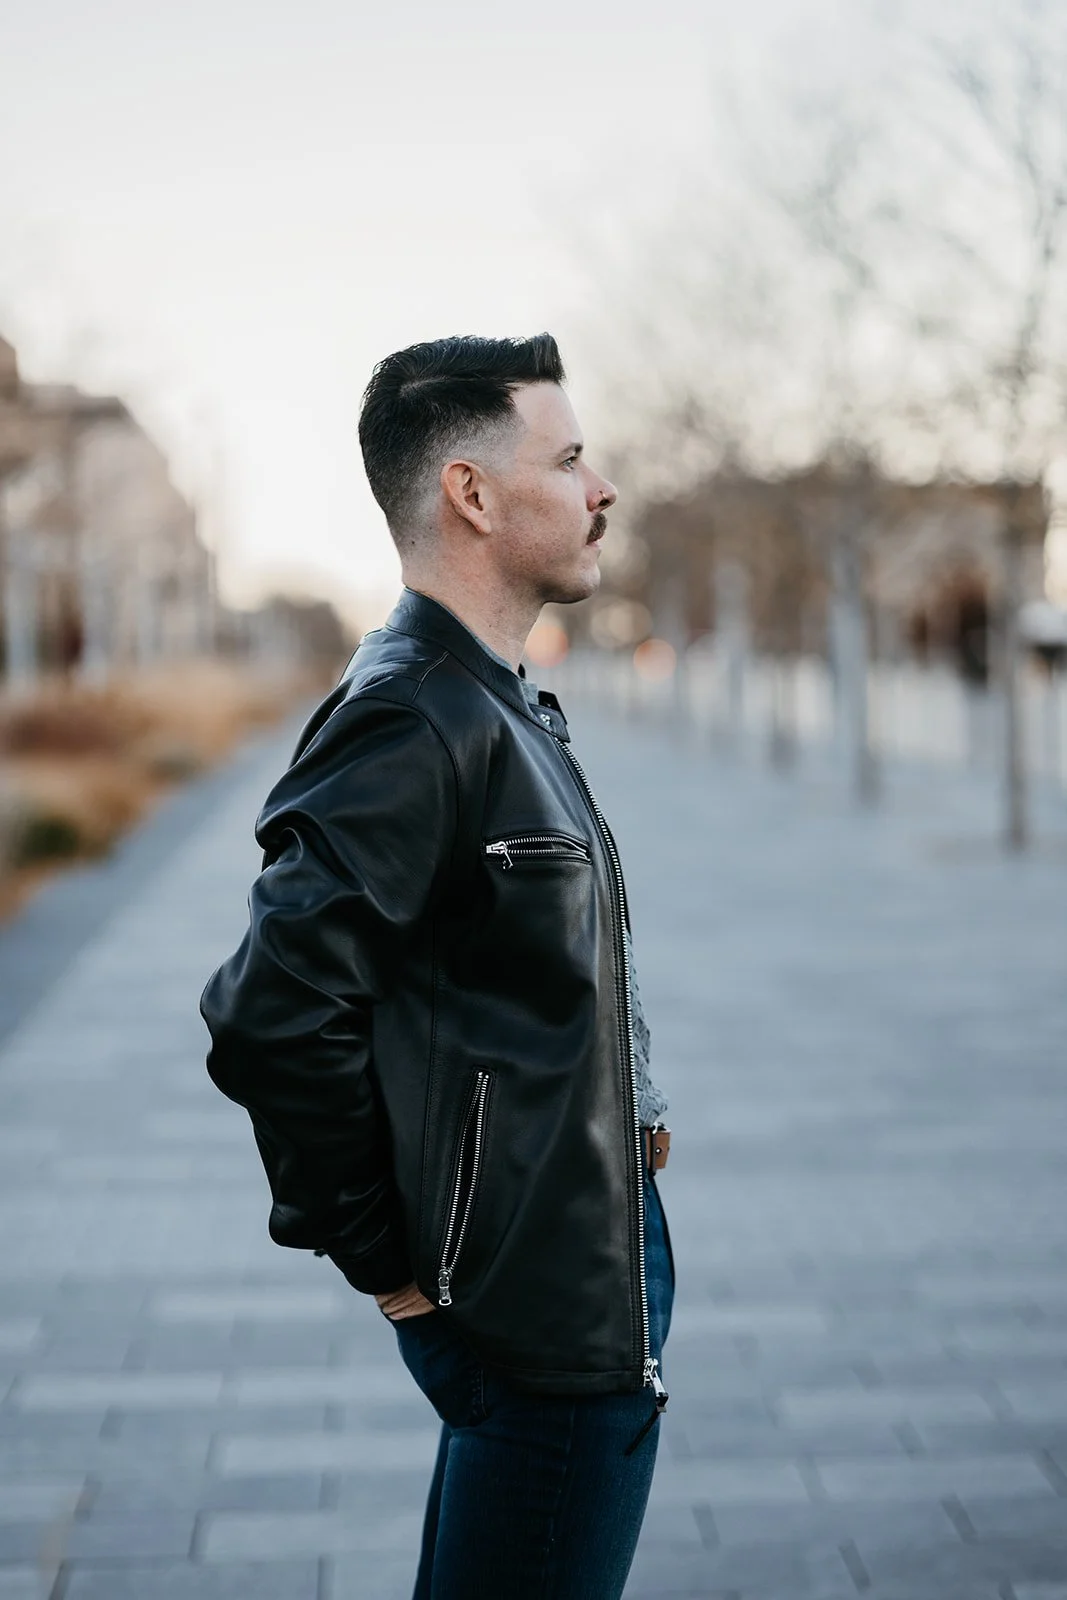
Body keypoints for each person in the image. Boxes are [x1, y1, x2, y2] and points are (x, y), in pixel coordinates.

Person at [200, 333, 675, 1599]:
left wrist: (630, 1102)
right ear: (470, 493)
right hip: (525, 1304)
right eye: (568, 458)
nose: (600, 488)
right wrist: (387, 1264)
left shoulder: (493, 695)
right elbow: (268, 1016)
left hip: (559, 1261)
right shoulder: (417, 712)